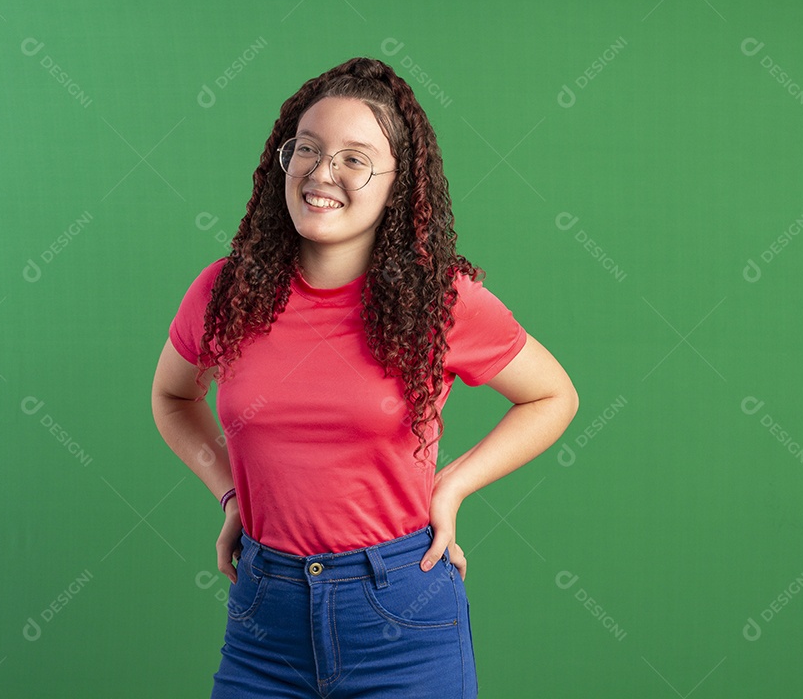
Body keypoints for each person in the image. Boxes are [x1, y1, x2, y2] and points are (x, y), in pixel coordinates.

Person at [152, 57, 578, 698]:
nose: (323, 174)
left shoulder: (442, 301)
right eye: (308, 150)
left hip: (401, 614)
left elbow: (553, 395)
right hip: (265, 614)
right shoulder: (225, 293)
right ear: (283, 160)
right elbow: (173, 395)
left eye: (355, 159)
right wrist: (231, 494)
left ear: (397, 186)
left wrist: (452, 486)